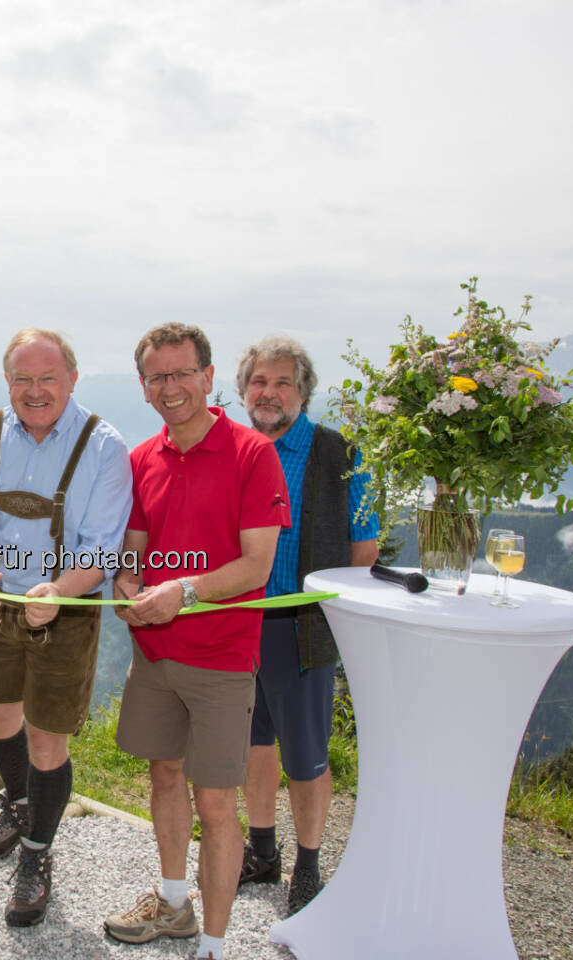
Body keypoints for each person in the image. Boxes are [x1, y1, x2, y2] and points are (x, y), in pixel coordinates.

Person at [103, 323, 289, 960]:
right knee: (163, 776)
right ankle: (174, 904)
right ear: (144, 388)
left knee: (215, 802)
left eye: (183, 373)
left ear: (209, 379)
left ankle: (213, 943)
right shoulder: (141, 459)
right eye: (158, 377)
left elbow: (256, 566)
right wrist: (126, 584)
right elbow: (133, 548)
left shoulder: (250, 454)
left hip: (221, 659)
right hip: (155, 656)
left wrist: (179, 592)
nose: (172, 387)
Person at [0, 328, 132, 927]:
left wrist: (60, 590)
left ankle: (37, 854)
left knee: (48, 738)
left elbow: (103, 549)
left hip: (67, 609)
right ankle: (20, 804)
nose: (35, 390)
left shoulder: (104, 445)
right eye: (22, 378)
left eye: (48, 377)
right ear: (7, 383)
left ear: (72, 379)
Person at [234, 336, 379, 914]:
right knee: (253, 745)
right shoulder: (234, 447)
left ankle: (309, 865)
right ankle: (263, 851)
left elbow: (364, 548)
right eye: (259, 383)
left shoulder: (340, 454)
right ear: (244, 390)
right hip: (238, 621)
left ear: (303, 392)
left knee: (306, 755)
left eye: (282, 383)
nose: (269, 394)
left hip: (301, 626)